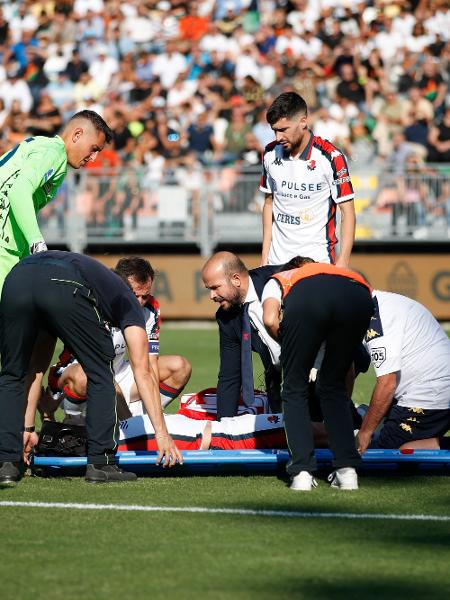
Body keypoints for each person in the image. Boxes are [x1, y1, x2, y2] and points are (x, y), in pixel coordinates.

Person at [0, 250, 183, 484]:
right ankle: (101, 463)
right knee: (100, 372)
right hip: (63, 283)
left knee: (12, 373)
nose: (142, 303)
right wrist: (162, 434)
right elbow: (143, 370)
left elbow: (36, 368)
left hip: (17, 279)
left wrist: (27, 428)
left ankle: (7, 462)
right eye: (140, 295)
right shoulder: (125, 298)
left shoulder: (102, 281)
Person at [262, 256, 373, 491]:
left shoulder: (280, 279)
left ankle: (301, 471)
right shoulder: (335, 273)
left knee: (294, 387)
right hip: (360, 294)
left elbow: (270, 319)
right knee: (333, 386)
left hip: (311, 301)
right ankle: (347, 472)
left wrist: (293, 347)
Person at [43, 256, 192, 420]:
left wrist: (154, 411)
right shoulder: (94, 304)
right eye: (135, 295)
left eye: (145, 296)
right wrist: (49, 408)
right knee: (83, 377)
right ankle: (76, 422)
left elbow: (150, 364)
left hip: (118, 371)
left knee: (180, 367)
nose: (140, 302)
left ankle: (145, 418)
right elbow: (100, 370)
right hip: (82, 372)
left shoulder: (151, 308)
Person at [0, 109, 112, 293]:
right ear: (77, 134)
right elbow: (18, 190)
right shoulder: (54, 152)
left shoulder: (44, 147)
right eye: (94, 149)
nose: (93, 158)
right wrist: (37, 244)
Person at [260, 92, 356, 267]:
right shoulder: (269, 153)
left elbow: (348, 211)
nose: (278, 137)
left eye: (283, 130)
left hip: (318, 263)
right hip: (276, 264)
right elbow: (268, 204)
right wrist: (265, 257)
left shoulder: (331, 157)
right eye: (274, 131)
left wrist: (343, 262)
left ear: (303, 122)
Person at [357, 290, 450, 453]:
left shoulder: (376, 318)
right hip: (434, 391)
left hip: (430, 397)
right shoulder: (378, 303)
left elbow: (388, 384)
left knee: (376, 453)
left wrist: (364, 433)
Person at [201, 251, 282, 420]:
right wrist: (223, 430)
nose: (212, 296)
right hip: (280, 383)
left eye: (215, 287)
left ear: (236, 279)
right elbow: (229, 377)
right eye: (209, 289)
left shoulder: (277, 280)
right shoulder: (226, 318)